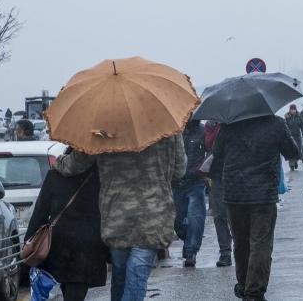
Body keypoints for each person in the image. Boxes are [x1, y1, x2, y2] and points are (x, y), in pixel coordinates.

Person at [55, 135, 186, 301]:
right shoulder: (167, 128)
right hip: (153, 217)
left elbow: (75, 164)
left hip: (117, 217)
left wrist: (58, 162)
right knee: (137, 275)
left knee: (121, 274)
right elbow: (179, 170)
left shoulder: (105, 128)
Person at [212, 115, 300, 301]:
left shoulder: (229, 124)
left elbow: (217, 155)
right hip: (263, 194)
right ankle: (254, 292)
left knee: (241, 242)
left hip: (235, 193)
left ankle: (244, 286)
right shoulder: (276, 123)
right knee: (260, 243)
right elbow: (292, 152)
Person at [25, 150, 108, 301]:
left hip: (58, 243)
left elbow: (41, 211)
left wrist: (29, 240)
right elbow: (108, 212)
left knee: (66, 286)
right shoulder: (100, 176)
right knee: (76, 290)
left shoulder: (54, 175)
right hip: (88, 243)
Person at [173, 120, 208, 267]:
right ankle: (188, 240)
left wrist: (201, 169)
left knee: (195, 217)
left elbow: (210, 152)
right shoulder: (174, 131)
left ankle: (191, 251)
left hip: (196, 182)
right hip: (177, 182)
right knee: (177, 221)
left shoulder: (202, 130)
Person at [205, 120, 233, 267]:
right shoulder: (211, 125)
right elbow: (210, 145)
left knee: (235, 215)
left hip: (236, 175)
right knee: (220, 215)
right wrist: (219, 128)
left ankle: (241, 248)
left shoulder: (239, 122)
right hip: (217, 175)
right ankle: (225, 252)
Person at [285, 104, 303, 170]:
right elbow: (284, 126)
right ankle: (291, 165)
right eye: (291, 109)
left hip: (297, 137)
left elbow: (302, 126)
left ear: (296, 109)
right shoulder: (287, 117)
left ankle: (295, 161)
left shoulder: (299, 116)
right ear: (290, 110)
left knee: (297, 150)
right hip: (290, 137)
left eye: (294, 109)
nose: (293, 111)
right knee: (290, 150)